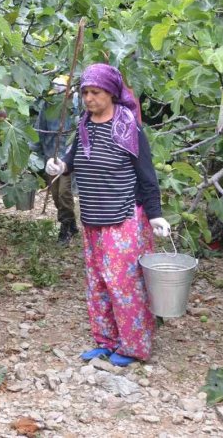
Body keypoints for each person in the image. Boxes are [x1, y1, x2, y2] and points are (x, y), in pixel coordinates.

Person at [45, 64, 171, 367]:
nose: (89, 98)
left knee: (124, 285)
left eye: (95, 93)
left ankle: (133, 346)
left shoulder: (129, 128)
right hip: (93, 217)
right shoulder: (85, 124)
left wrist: (155, 214)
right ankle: (106, 341)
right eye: (85, 92)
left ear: (111, 93)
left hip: (124, 218)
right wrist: (60, 166)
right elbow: (74, 158)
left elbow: (147, 175)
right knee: (98, 282)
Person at [30, 75, 79, 245]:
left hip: (68, 158)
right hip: (51, 155)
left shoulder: (76, 105)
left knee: (64, 192)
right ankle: (71, 223)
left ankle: (65, 228)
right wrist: (33, 151)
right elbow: (40, 127)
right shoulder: (48, 104)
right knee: (56, 195)